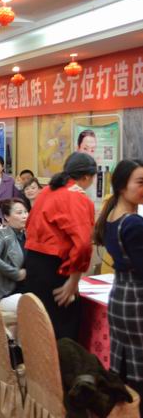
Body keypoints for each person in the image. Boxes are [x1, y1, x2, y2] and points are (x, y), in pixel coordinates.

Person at [25, 152, 97, 340]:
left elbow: (29, 224)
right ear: (87, 177)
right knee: (63, 330)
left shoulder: (47, 191)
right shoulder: (77, 198)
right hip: (54, 268)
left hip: (33, 263)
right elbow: (83, 245)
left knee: (39, 326)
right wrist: (73, 282)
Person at [93, 159, 143, 410]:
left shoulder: (112, 216)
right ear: (122, 186)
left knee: (124, 362)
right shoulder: (133, 223)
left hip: (121, 296)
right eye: (140, 182)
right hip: (137, 299)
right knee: (138, 367)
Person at [0, 198, 28, 312]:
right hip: (6, 293)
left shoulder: (28, 235)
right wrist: (16, 273)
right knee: (31, 305)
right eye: (19, 213)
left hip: (26, 289)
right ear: (7, 217)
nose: (24, 216)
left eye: (25, 212)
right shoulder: (2, 235)